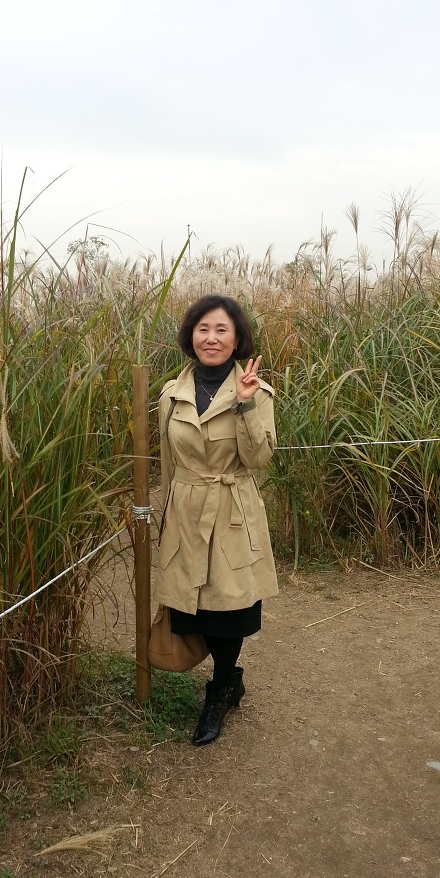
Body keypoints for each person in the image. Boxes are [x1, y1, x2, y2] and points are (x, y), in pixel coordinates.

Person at [154, 294, 278, 746]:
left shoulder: (258, 393)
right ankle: (230, 679)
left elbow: (259, 458)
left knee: (229, 610)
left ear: (237, 338)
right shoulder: (171, 395)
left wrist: (244, 405)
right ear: (190, 336)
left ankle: (220, 688)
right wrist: (163, 516)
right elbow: (167, 463)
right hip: (185, 510)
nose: (211, 338)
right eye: (203, 329)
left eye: (221, 330)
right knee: (192, 609)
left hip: (231, 511)